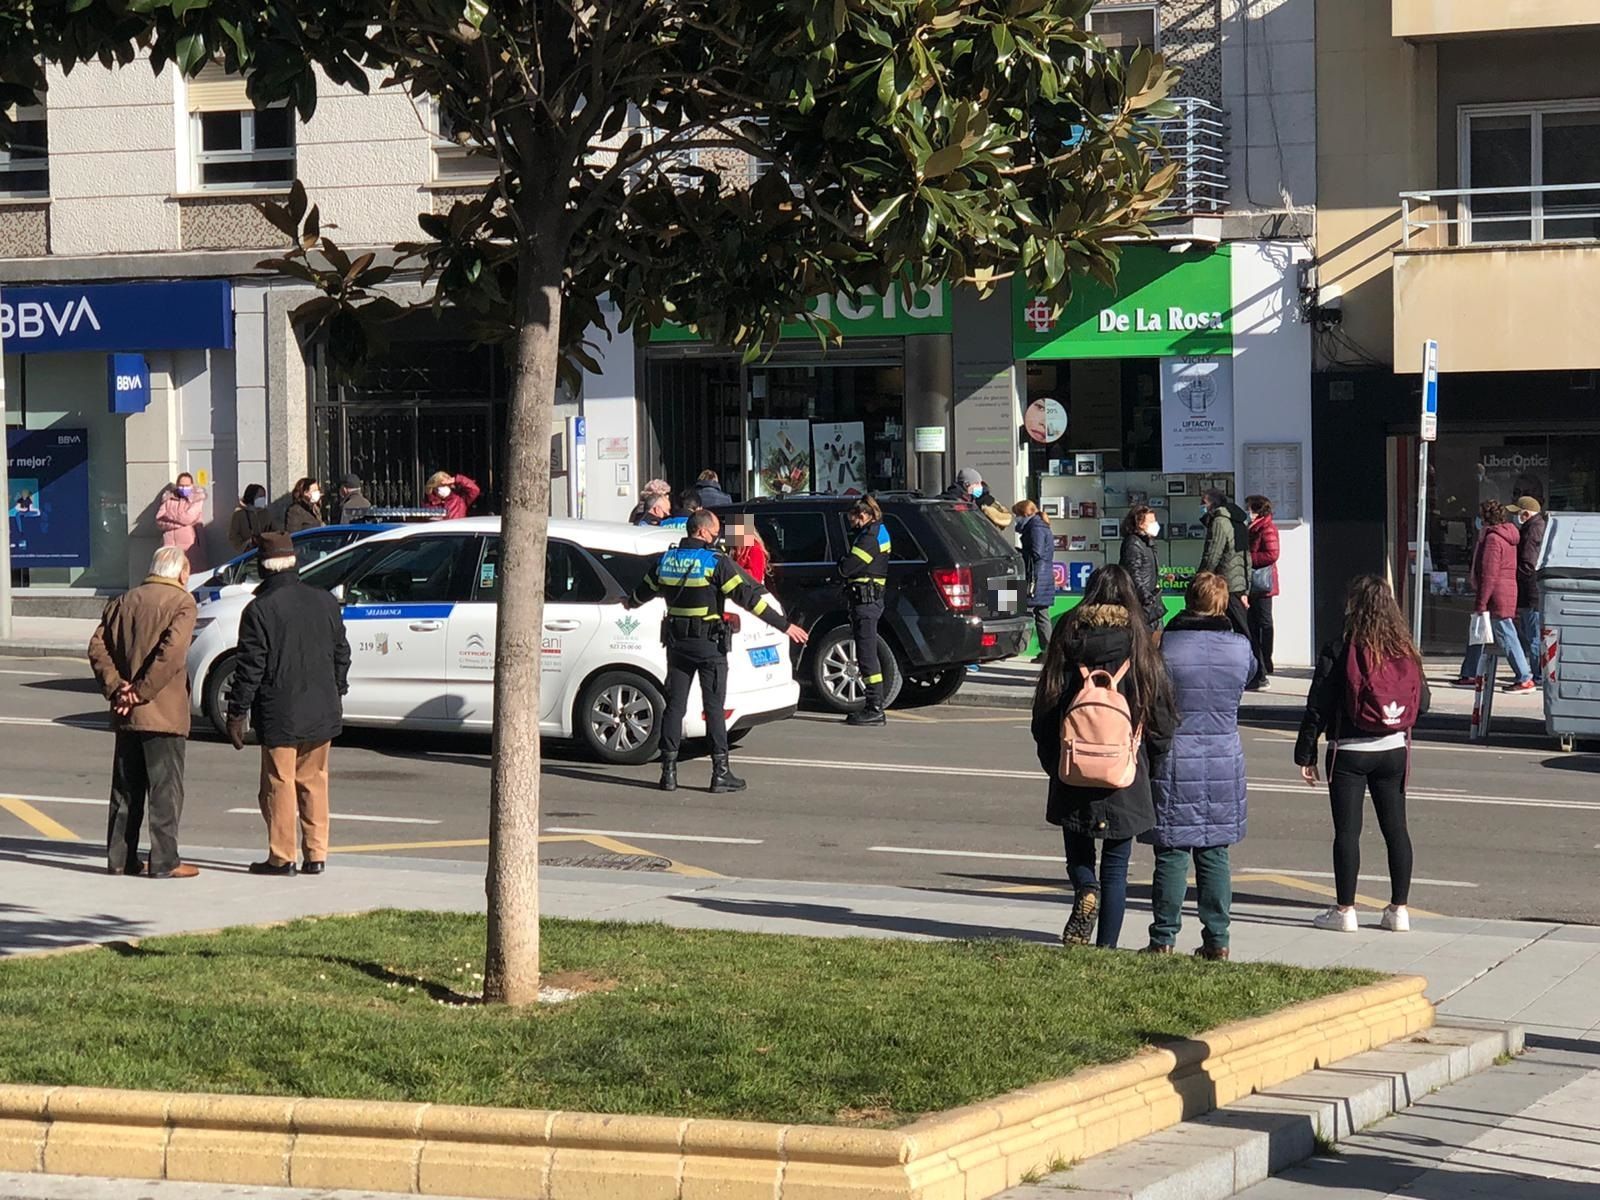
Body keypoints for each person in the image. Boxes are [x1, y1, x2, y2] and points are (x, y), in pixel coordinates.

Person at [1030, 564, 1176, 950]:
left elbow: (1045, 706)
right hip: (1124, 768)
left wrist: (1052, 759)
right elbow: (1161, 715)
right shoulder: (1139, 642)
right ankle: (1106, 947)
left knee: (1077, 849)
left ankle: (1084, 888)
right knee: (1117, 865)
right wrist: (1152, 762)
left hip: (1073, 762)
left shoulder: (1067, 633)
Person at [628, 510, 808, 791]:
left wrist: (628, 601)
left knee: (675, 707)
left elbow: (640, 594)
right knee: (714, 708)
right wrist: (785, 626)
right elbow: (750, 599)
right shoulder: (715, 562)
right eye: (714, 532)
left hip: (676, 644)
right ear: (701, 531)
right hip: (709, 645)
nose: (717, 537)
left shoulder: (666, 560)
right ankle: (720, 774)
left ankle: (669, 774)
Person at [1295, 576, 1429, 934]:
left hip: (1348, 752)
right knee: (1396, 829)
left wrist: (1305, 752)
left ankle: (1345, 911)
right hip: (1394, 751)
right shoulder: (1404, 649)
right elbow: (1424, 703)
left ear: (1354, 606)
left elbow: (1317, 706)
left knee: (1347, 832)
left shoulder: (1340, 648)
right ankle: (1399, 910)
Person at [225, 532, 351, 877]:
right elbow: (342, 653)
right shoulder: (324, 600)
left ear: (262, 568)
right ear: (294, 562)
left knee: (279, 784)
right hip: (323, 706)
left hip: (281, 709)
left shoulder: (260, 609)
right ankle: (316, 854)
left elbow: (251, 666)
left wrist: (237, 712)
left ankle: (282, 857)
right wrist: (336, 689)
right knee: (314, 780)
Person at [1142, 573, 1254, 959]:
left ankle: (1163, 937)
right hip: (1224, 755)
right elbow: (1252, 674)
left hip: (1175, 755)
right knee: (1214, 852)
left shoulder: (1166, 646)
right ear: (1223, 605)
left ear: (1187, 600)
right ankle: (1217, 938)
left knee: (1171, 849)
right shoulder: (1240, 648)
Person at [86, 547, 200, 880]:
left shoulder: (124, 601)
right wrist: (140, 692)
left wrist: (118, 686)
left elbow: (97, 646)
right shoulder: (182, 603)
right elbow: (172, 654)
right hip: (162, 712)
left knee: (125, 788)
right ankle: (165, 860)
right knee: (165, 789)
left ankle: (120, 858)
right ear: (181, 573)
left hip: (126, 713)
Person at [838, 496, 893, 727]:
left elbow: (847, 567)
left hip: (866, 601)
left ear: (863, 515)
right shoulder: (878, 531)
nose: (851, 522)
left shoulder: (870, 537)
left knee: (867, 655)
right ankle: (873, 705)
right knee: (867, 653)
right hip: (869, 600)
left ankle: (874, 707)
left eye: (853, 518)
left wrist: (842, 561)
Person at [1472, 500, 1534, 692]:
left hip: (1497, 592)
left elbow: (1489, 572)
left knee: (1506, 634)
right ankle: (1473, 671)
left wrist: (1481, 602)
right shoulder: (1509, 536)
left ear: (1485, 518)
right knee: (1506, 632)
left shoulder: (1493, 539)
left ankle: (1524, 677)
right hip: (1507, 589)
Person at [1198, 488, 1253, 645]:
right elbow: (1246, 555)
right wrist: (1246, 586)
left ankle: (1256, 664)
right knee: (1241, 626)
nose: (1201, 506)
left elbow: (1213, 553)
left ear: (1212, 504)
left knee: (1239, 627)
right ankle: (1255, 663)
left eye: (1203, 503)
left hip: (1225, 580)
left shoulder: (1220, 521)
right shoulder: (1238, 520)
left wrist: (1201, 577)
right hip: (1238, 580)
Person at [1510, 496, 1548, 686]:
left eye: (1517, 513)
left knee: (1533, 635)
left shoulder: (1532, 530)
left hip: (1530, 591)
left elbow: (1528, 563)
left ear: (1525, 514)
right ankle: (1536, 672)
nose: (1515, 517)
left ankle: (1538, 675)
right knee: (1530, 633)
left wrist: (1514, 578)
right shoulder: (1535, 527)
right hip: (1530, 592)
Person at [1245, 495, 1281, 691]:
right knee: (1256, 623)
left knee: (1263, 623)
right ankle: (1262, 662)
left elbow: (1272, 554)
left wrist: (1248, 558)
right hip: (1255, 584)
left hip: (1262, 584)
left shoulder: (1266, 527)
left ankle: (1265, 661)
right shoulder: (1255, 526)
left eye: (1249, 508)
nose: (1247, 512)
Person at [1013, 499, 1056, 659]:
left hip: (1035, 577)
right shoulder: (1041, 526)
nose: (1015, 519)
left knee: (1024, 612)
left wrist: (1018, 552)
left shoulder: (1035, 528)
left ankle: (1016, 647)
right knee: (1041, 613)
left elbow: (1036, 553)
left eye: (1017, 515)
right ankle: (1048, 652)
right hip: (1043, 575)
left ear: (1024, 514)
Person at [1118, 504, 1165, 633]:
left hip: (1150, 599)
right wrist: (1146, 597)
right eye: (1151, 521)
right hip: (1141, 603)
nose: (1155, 524)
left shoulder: (1146, 543)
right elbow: (1133, 573)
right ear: (1139, 523)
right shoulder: (1133, 543)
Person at [155, 472, 207, 570]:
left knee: (188, 573)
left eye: (187, 485)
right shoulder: (168, 499)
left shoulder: (196, 499)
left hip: (189, 546)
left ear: (192, 485)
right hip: (169, 545)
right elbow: (159, 520)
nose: (183, 488)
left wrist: (169, 517)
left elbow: (188, 518)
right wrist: (179, 524)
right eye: (181, 485)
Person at [940, 467, 1011, 529]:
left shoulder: (971, 501)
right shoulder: (953, 501)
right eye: (977, 483)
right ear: (966, 484)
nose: (980, 487)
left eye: (980, 483)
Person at [228, 484, 272, 554]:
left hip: (265, 551)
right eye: (260, 496)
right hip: (248, 553)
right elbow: (233, 536)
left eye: (264, 496)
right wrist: (244, 546)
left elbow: (274, 529)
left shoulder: (265, 513)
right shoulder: (239, 514)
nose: (263, 499)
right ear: (252, 496)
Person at [727, 517, 770, 585]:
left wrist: (731, 571)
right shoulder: (735, 549)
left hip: (751, 591)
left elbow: (756, 577)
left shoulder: (754, 549)